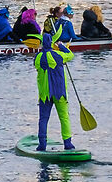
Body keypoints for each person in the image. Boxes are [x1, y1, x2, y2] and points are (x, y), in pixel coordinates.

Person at [27, 22, 77, 152]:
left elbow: (38, 66)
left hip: (44, 95)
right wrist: (61, 46)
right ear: (52, 43)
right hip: (59, 92)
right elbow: (70, 56)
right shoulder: (58, 56)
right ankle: (68, 143)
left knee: (43, 119)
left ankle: (42, 144)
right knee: (64, 117)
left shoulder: (37, 58)